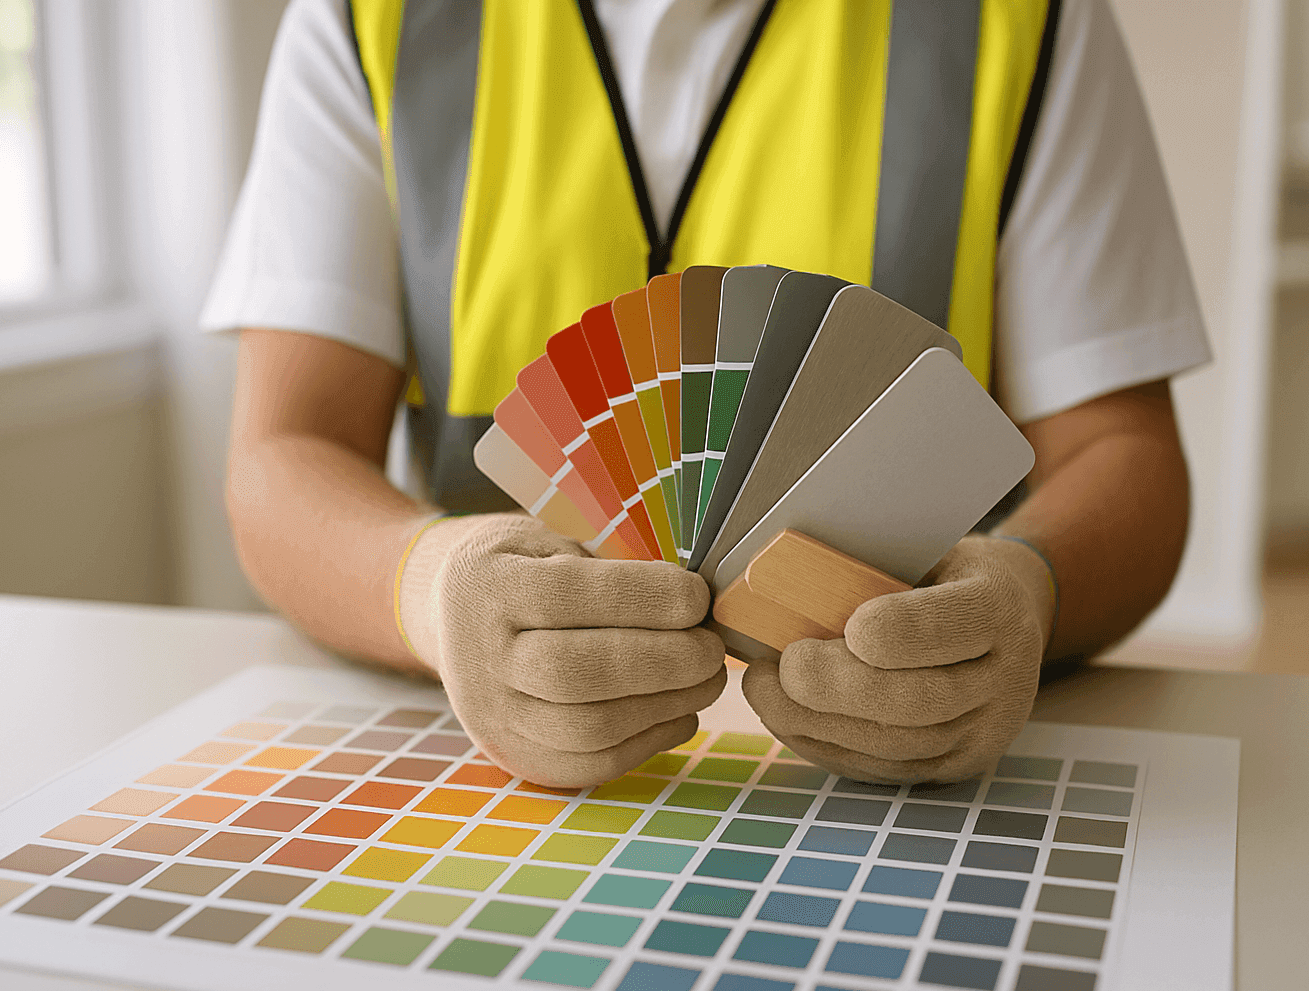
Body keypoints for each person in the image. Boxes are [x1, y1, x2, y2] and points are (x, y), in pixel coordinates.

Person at [206, 0, 1209, 787]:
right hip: (500, 772)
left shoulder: (1022, 18)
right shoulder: (366, 16)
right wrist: (431, 592)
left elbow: (1125, 457)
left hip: (885, 786)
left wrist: (1024, 593)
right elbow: (283, 455)